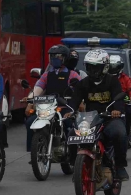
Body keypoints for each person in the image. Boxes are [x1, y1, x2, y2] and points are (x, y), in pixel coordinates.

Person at [65, 49, 129, 181]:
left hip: (110, 118)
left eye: (96, 67)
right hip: (90, 119)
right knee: (72, 133)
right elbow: (75, 100)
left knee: (120, 133)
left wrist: (116, 110)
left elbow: (119, 99)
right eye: (90, 67)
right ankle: (73, 162)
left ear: (105, 67)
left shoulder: (112, 81)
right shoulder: (83, 83)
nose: (93, 70)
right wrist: (70, 110)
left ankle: (120, 166)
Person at [23, 44, 80, 152]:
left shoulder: (73, 75)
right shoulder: (46, 75)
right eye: (52, 56)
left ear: (65, 58)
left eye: (58, 56)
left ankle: (71, 151)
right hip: (47, 107)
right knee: (30, 121)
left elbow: (81, 90)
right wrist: (30, 101)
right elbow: (37, 89)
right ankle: (33, 152)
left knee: (70, 125)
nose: (55, 59)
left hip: (65, 107)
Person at [108, 54, 131, 136]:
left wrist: (127, 98)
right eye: (111, 66)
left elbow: (130, 90)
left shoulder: (126, 79)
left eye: (115, 67)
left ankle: (126, 135)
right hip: (107, 103)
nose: (113, 69)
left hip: (123, 105)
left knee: (128, 112)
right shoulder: (104, 78)